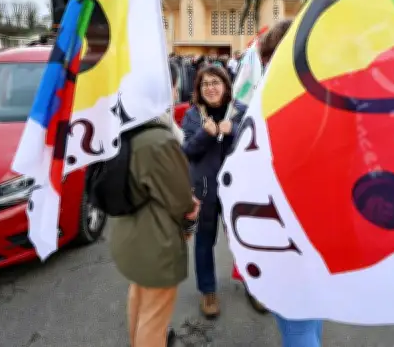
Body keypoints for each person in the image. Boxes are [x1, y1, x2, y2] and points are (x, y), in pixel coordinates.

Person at [110, 61, 199, 347]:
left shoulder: (126, 125)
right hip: (157, 239)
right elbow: (180, 197)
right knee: (156, 315)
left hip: (130, 233)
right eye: (173, 85)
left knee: (139, 297)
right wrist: (191, 208)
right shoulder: (159, 138)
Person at [259, 19, 324, 346]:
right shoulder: (326, 97)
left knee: (298, 326)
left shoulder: (284, 107)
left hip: (291, 235)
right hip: (317, 236)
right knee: (309, 319)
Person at [181, 65, 245, 319]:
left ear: (226, 86)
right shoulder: (192, 116)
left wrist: (234, 131)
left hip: (236, 189)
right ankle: (208, 291)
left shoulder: (239, 111)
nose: (210, 88)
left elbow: (252, 145)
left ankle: (254, 284)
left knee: (242, 239)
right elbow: (187, 151)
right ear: (199, 88)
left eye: (215, 82)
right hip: (205, 190)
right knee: (204, 241)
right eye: (205, 83)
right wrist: (204, 135)